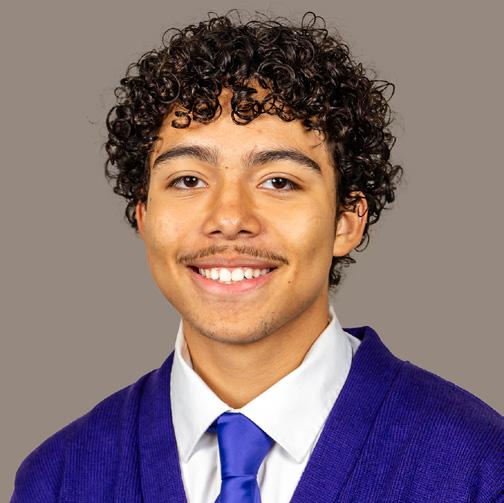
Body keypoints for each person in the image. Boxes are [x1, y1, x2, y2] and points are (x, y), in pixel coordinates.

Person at [11, 10, 503, 503]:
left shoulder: (481, 469)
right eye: (188, 180)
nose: (229, 217)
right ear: (143, 215)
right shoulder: (58, 480)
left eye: (279, 182)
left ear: (346, 221)